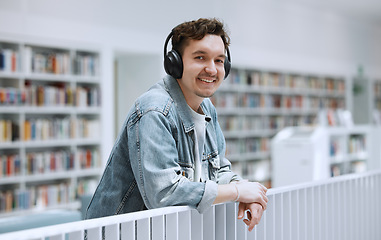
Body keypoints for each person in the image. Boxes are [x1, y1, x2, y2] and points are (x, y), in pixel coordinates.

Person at [86, 18, 268, 231]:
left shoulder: (207, 108)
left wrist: (248, 190)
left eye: (219, 60)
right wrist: (237, 192)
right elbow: (164, 193)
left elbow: (219, 172)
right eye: (200, 58)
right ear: (175, 63)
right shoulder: (153, 109)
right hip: (122, 234)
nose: (211, 69)